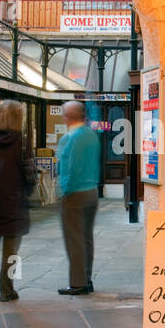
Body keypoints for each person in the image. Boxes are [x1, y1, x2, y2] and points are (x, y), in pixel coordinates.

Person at [0, 100, 36, 302]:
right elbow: (30, 175)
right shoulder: (22, 143)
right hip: (14, 207)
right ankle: (7, 291)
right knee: (11, 254)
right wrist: (26, 191)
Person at [55, 100, 101, 295]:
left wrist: (64, 191)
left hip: (75, 194)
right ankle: (87, 279)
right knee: (86, 238)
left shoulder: (70, 138)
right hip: (92, 192)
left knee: (74, 239)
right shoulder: (91, 135)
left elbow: (70, 168)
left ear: (67, 117)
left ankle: (77, 283)